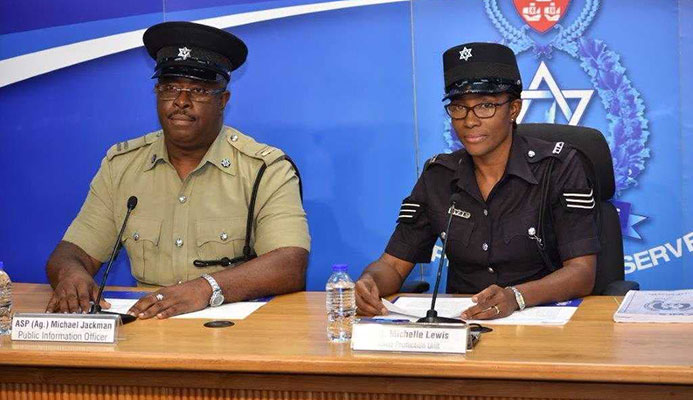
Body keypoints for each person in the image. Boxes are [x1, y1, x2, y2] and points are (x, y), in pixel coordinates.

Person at [45, 21, 310, 319]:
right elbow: (72, 252)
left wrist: (206, 289)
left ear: (222, 101)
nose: (181, 102)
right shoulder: (122, 166)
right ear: (157, 93)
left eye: (198, 90)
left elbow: (290, 264)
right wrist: (71, 276)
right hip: (148, 331)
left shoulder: (264, 169)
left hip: (233, 333)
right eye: (170, 88)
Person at [355, 42, 600, 320]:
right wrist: (369, 282)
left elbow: (582, 273)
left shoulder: (558, 167)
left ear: (514, 109)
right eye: (459, 107)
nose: (470, 121)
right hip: (463, 327)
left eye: (485, 106)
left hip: (543, 321)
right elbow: (394, 265)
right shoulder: (439, 176)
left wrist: (516, 297)